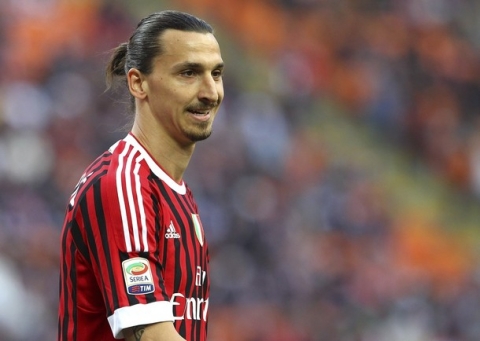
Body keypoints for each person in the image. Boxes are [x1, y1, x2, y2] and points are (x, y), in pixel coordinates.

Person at [58, 10, 224, 341]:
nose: (210, 92)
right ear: (138, 82)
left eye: (216, 73)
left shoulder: (177, 195)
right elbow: (150, 334)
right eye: (189, 73)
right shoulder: (124, 184)